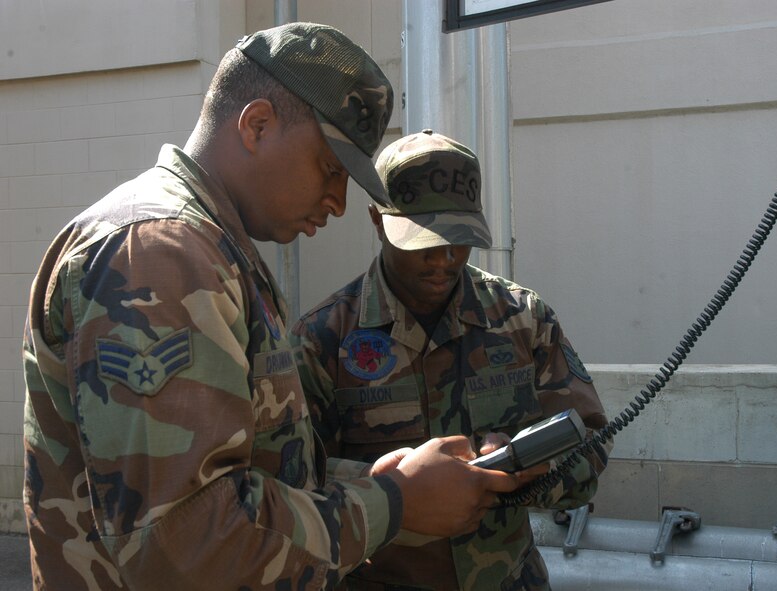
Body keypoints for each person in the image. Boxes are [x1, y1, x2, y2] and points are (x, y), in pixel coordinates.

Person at [22, 24, 525, 591]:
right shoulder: (162, 254)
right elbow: (189, 544)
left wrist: (382, 480)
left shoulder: (209, 249)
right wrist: (394, 503)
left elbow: (244, 471)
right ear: (257, 125)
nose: (337, 203)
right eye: (331, 169)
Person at [294, 129, 611, 591]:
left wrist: (532, 469)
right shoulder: (323, 340)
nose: (443, 259)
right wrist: (392, 486)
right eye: (423, 240)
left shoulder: (522, 319)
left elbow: (594, 445)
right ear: (377, 220)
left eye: (458, 239)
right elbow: (288, 481)